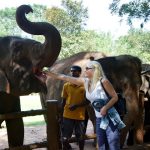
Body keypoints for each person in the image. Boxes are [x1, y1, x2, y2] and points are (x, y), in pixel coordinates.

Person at [43, 60, 125, 150]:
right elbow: (66, 78)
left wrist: (105, 107)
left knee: (113, 145)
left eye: (87, 68)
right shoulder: (85, 82)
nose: (84, 70)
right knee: (102, 144)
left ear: (95, 70)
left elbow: (115, 97)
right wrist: (50, 74)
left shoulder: (104, 81)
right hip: (99, 118)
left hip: (110, 117)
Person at [60, 65, 86, 150]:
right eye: (71, 71)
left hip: (80, 116)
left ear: (79, 73)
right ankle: (68, 148)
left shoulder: (85, 85)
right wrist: (60, 115)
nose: (73, 72)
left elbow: (88, 101)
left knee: (81, 137)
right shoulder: (66, 85)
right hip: (67, 115)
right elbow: (63, 101)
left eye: (75, 71)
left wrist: (77, 106)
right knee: (65, 138)